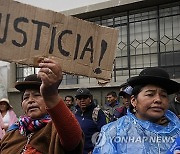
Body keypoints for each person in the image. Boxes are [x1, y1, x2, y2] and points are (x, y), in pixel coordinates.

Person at [0, 58, 83, 153]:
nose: (30, 100)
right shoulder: (12, 133)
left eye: (37, 95)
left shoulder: (58, 129)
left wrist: (51, 95)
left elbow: (73, 139)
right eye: (26, 97)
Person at [93, 67, 180, 154]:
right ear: (134, 101)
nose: (158, 99)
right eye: (150, 94)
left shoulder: (177, 130)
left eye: (163, 95)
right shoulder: (113, 132)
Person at [75, 88, 107, 154]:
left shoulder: (97, 113)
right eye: (79, 98)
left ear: (90, 99)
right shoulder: (75, 113)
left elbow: (104, 135)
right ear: (76, 100)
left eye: (85, 97)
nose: (82, 100)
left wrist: (95, 150)